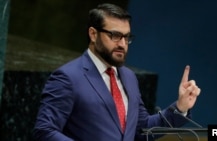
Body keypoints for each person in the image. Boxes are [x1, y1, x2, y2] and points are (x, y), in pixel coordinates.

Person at [33, 3, 201, 141]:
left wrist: (180, 108)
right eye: (114, 35)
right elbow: (45, 131)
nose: (122, 44)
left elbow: (142, 130)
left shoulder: (129, 77)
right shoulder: (67, 77)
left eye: (126, 37)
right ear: (93, 34)